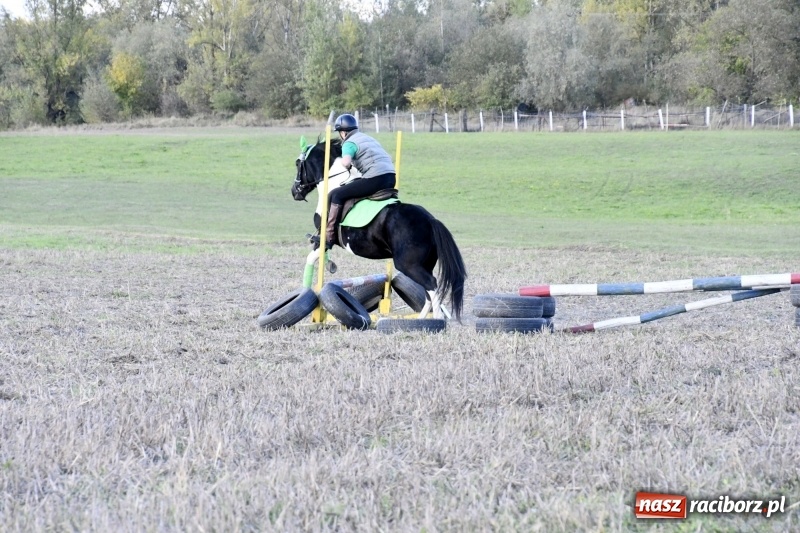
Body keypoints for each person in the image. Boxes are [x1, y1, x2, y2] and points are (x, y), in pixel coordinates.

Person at [321, 113, 396, 249]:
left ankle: (329, 236)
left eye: (339, 133)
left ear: (343, 132)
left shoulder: (349, 143)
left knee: (337, 194)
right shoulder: (367, 138)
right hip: (390, 177)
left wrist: (348, 165)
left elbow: (345, 161)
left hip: (375, 178)